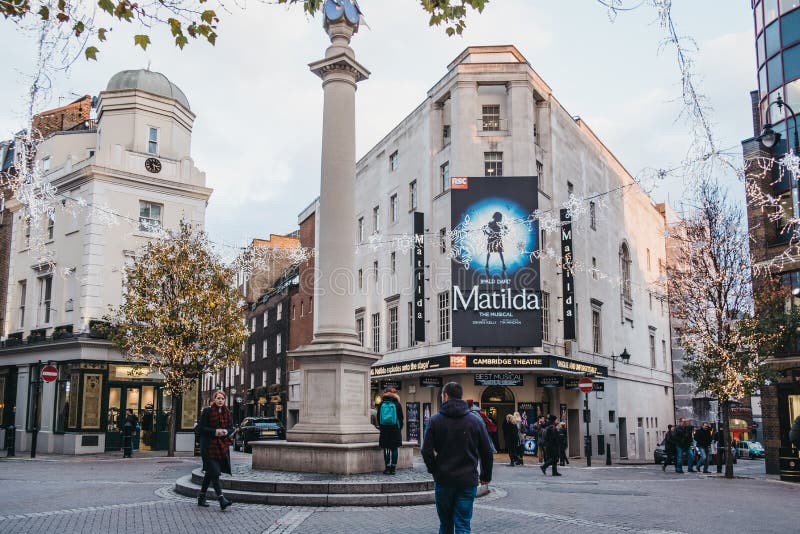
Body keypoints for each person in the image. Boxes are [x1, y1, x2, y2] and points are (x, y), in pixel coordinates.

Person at [422, 382, 493, 534]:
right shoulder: (475, 421)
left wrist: (434, 469)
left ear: (445, 396)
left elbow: (426, 450)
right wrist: (486, 475)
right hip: (467, 480)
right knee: (462, 524)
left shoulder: (435, 420)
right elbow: (487, 451)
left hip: (444, 479)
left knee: (446, 524)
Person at [197, 390, 234, 510]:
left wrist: (226, 431)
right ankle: (221, 499)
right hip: (208, 446)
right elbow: (200, 428)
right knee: (215, 473)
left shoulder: (227, 412)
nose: (220, 400)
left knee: (210, 473)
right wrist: (215, 431)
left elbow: (230, 427)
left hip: (221, 446)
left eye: (222, 399)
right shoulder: (207, 411)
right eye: (218, 398)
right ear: (214, 399)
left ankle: (201, 497)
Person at [378, 387, 404, 475]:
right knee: (394, 448)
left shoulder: (381, 404)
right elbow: (401, 417)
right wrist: (399, 427)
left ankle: (387, 468)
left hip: (384, 428)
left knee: (386, 448)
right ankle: (393, 469)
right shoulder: (397, 404)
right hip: (395, 428)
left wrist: (381, 427)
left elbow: (378, 417)